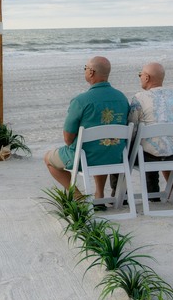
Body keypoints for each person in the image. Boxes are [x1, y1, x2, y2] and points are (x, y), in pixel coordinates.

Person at [43, 56, 129, 200]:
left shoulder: (81, 101)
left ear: (91, 72)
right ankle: (99, 194)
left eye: (85, 68)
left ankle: (77, 197)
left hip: (87, 157)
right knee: (102, 147)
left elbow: (68, 138)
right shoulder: (122, 98)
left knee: (48, 158)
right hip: (115, 155)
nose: (85, 71)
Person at [128, 62, 173, 194]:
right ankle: (167, 190)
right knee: (156, 143)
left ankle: (150, 195)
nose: (140, 78)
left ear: (147, 77)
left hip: (147, 156)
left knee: (139, 145)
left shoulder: (139, 98)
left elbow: (132, 129)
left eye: (140, 75)